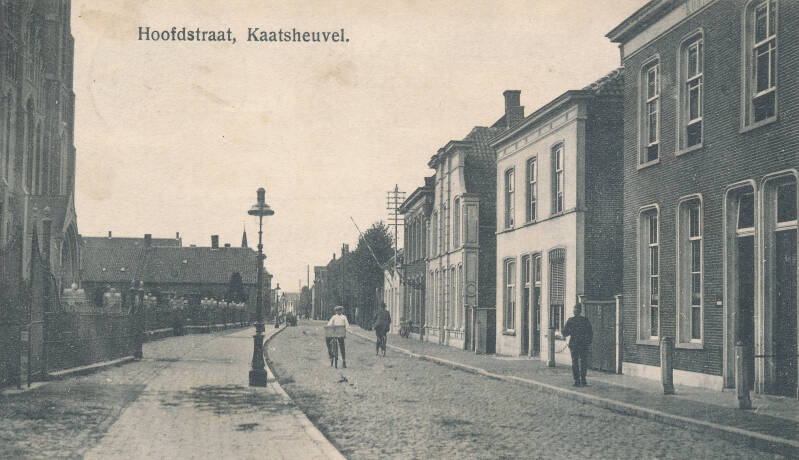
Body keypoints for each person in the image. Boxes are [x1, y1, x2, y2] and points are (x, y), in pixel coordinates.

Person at [562, 303, 592, 387]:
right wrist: (588, 342)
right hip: (583, 344)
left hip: (574, 344)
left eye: (575, 309)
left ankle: (577, 380)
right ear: (580, 311)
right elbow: (590, 333)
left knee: (575, 362)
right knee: (583, 362)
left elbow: (564, 333)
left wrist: (569, 332)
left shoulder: (571, 320)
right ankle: (583, 379)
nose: (574, 311)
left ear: (575, 311)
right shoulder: (585, 320)